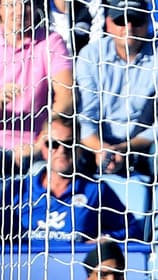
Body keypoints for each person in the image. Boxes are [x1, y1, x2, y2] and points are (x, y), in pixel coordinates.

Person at [75, 0, 158, 179]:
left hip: (145, 143)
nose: (129, 27)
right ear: (108, 24)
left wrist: (126, 147)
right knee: (66, 153)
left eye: (136, 20)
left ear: (148, 23)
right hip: (99, 143)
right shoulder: (90, 54)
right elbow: (87, 116)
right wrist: (101, 149)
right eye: (121, 21)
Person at [14, 114, 142, 244]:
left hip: (76, 263)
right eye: (53, 144)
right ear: (43, 147)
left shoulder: (95, 190)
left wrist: (107, 238)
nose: (62, 150)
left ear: (79, 148)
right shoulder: (19, 190)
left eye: (69, 143)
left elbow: (132, 230)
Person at [1, 0, 74, 176]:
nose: (20, 11)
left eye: (27, 4)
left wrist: (41, 142)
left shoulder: (51, 41)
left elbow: (67, 97)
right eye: (12, 4)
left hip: (36, 149)